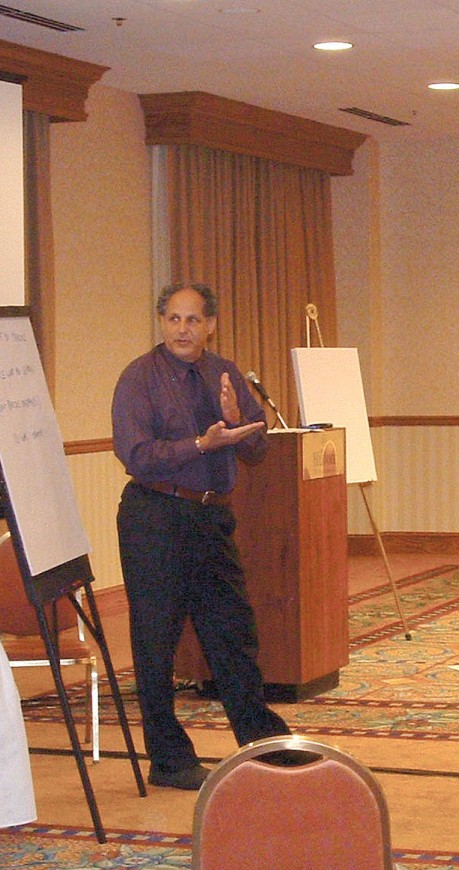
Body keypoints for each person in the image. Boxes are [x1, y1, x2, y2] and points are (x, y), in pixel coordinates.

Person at [112, 283, 290, 790]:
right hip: (155, 515)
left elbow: (257, 450)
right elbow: (136, 454)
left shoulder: (224, 371)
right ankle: (168, 760)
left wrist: (239, 424)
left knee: (233, 631)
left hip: (211, 519)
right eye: (173, 319)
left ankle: (262, 743)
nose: (182, 329)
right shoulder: (138, 378)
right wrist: (200, 444)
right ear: (161, 322)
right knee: (155, 640)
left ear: (211, 324)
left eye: (192, 320)